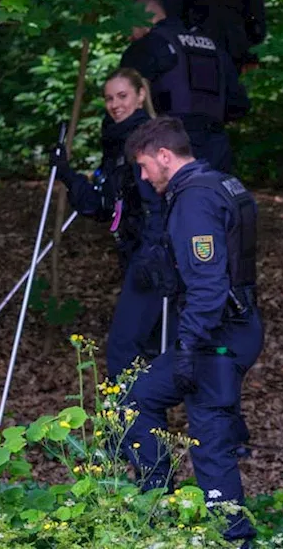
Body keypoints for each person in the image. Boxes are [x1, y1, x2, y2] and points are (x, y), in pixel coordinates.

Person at [119, 116, 264, 544]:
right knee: (140, 397)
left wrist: (187, 346)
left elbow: (209, 285)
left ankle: (233, 536)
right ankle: (157, 504)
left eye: (145, 166)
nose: (143, 176)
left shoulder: (195, 199)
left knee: (210, 435)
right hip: (232, 328)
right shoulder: (222, 184)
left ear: (165, 156)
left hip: (217, 335)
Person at [50, 69, 177, 379]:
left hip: (155, 259)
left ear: (140, 96)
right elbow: (101, 204)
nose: (115, 104)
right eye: (109, 98)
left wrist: (154, 256)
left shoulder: (147, 141)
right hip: (138, 254)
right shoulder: (119, 142)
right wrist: (66, 173)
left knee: (125, 348)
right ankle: (148, 418)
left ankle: (129, 421)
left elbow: (161, 205)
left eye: (123, 96)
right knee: (151, 344)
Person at [120, 0, 249, 174]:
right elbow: (238, 103)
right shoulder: (213, 46)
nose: (128, 35)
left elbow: (127, 108)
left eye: (128, 24)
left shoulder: (146, 46)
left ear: (141, 16)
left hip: (169, 148)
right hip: (217, 147)